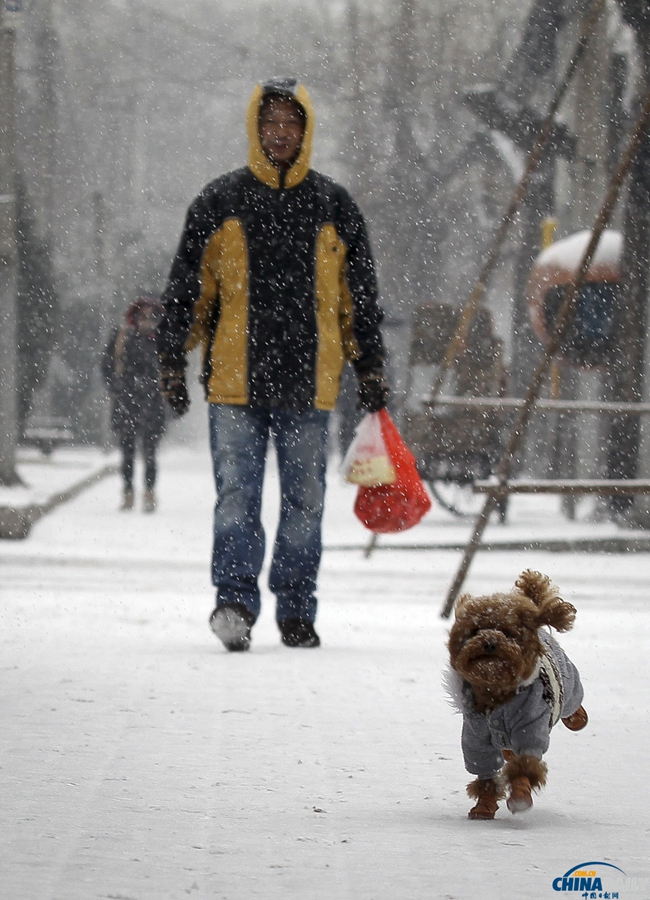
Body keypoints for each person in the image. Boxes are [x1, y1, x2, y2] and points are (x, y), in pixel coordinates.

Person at [157, 76, 389, 651]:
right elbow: (189, 290)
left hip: (310, 385)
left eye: (291, 123)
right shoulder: (220, 202)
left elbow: (358, 298)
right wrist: (171, 359)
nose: (280, 133)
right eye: (270, 122)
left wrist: (370, 367)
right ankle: (234, 604)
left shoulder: (334, 206)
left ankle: (297, 609)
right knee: (237, 499)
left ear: (306, 132)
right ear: (254, 129)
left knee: (304, 502)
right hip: (234, 383)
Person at [102, 296, 166, 513]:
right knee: (127, 452)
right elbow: (107, 365)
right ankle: (128, 492)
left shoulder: (161, 341)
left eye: (151, 317)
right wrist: (116, 387)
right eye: (142, 316)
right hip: (127, 403)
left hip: (152, 404)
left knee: (150, 453)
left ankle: (149, 493)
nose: (146, 321)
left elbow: (172, 370)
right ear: (134, 317)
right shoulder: (122, 338)